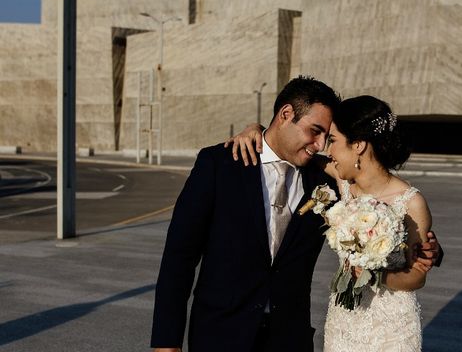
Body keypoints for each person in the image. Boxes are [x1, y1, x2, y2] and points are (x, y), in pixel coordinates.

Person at [151, 76, 440, 352]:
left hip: (289, 339)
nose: (319, 146)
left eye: (327, 137)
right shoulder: (221, 165)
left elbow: (388, 210)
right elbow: (180, 255)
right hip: (219, 335)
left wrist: (430, 250)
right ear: (286, 114)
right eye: (315, 131)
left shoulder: (328, 179)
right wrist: (167, 340)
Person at [231, 95, 435, 351]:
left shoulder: (410, 202)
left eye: (333, 141)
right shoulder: (344, 183)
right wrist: (257, 129)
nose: (327, 150)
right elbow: (285, 143)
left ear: (358, 145)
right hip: (343, 322)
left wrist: (376, 275)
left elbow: (417, 277)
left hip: (391, 326)